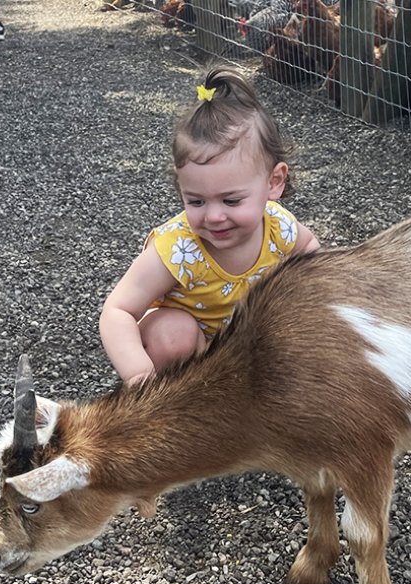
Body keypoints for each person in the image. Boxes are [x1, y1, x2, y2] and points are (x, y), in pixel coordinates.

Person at [100, 67, 320, 385]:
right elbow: (117, 311)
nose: (214, 216)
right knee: (173, 335)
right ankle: (177, 409)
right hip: (186, 355)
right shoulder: (179, 248)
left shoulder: (279, 227)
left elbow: (313, 257)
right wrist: (139, 379)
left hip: (240, 344)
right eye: (197, 202)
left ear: (274, 183)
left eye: (231, 201)